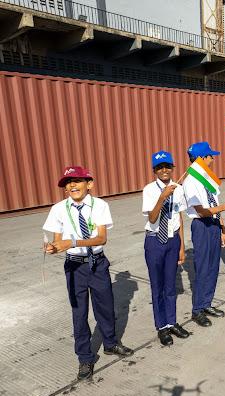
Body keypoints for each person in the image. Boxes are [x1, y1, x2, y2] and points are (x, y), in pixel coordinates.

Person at [43, 166, 134, 381]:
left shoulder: (100, 205)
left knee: (105, 307)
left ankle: (110, 343)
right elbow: (58, 241)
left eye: (77, 180)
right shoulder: (58, 209)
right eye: (68, 183)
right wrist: (53, 247)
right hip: (75, 267)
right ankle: (85, 357)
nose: (72, 185)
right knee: (79, 312)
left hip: (97, 264)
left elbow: (101, 238)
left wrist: (72, 242)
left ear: (89, 183)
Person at [183, 142, 225, 327]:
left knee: (213, 267)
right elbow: (200, 211)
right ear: (201, 158)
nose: (213, 159)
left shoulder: (206, 178)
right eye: (210, 156)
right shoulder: (190, 181)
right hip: (202, 226)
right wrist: (223, 207)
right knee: (203, 268)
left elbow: (213, 203)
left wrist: (223, 229)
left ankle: (207, 303)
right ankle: (198, 310)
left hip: (214, 224)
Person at [142, 151, 190, 346]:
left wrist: (181, 246)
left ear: (172, 168)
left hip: (172, 240)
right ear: (154, 170)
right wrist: (162, 197)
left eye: (167, 167)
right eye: (160, 167)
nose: (164, 170)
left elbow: (179, 217)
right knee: (158, 286)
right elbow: (152, 218)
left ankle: (172, 322)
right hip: (155, 241)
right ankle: (161, 326)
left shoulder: (178, 189)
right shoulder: (149, 190)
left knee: (171, 286)